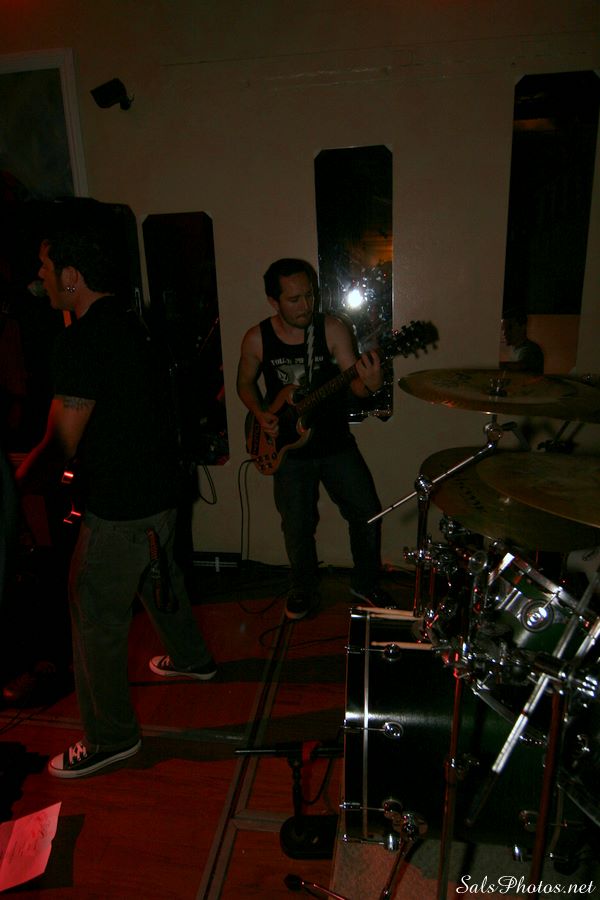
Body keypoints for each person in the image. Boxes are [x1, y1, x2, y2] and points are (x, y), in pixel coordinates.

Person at [15, 207, 216, 778]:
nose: (40, 277)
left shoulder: (81, 342)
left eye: (45, 267)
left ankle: (110, 737)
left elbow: (60, 444)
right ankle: (192, 658)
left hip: (121, 510)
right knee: (160, 578)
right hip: (163, 495)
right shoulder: (137, 323)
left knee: (93, 613)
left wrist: (14, 488)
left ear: (71, 275)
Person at [237, 257, 392, 621]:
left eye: (309, 295)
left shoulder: (332, 329)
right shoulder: (257, 337)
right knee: (297, 526)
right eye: (294, 299)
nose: (305, 306)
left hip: (335, 442)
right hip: (287, 449)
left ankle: (365, 582)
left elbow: (354, 383)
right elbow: (244, 383)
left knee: (367, 512)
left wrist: (371, 384)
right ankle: (302, 587)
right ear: (273, 301)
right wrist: (260, 413)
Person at [500, 309, 544, 374]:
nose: (504, 332)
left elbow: (520, 366)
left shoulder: (531, 350)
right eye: (503, 329)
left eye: (509, 327)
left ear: (523, 327)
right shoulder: (516, 349)